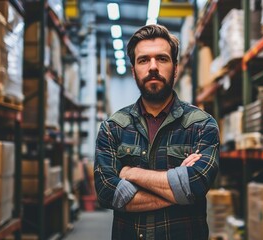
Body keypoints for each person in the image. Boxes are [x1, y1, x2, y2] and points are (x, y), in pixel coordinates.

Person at [94, 24, 220, 240]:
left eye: (162, 58)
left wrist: (130, 173)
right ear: (134, 71)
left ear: (176, 68)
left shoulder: (202, 124)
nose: (153, 67)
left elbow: (197, 184)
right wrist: (180, 191)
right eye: (143, 60)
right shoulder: (112, 127)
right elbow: (107, 193)